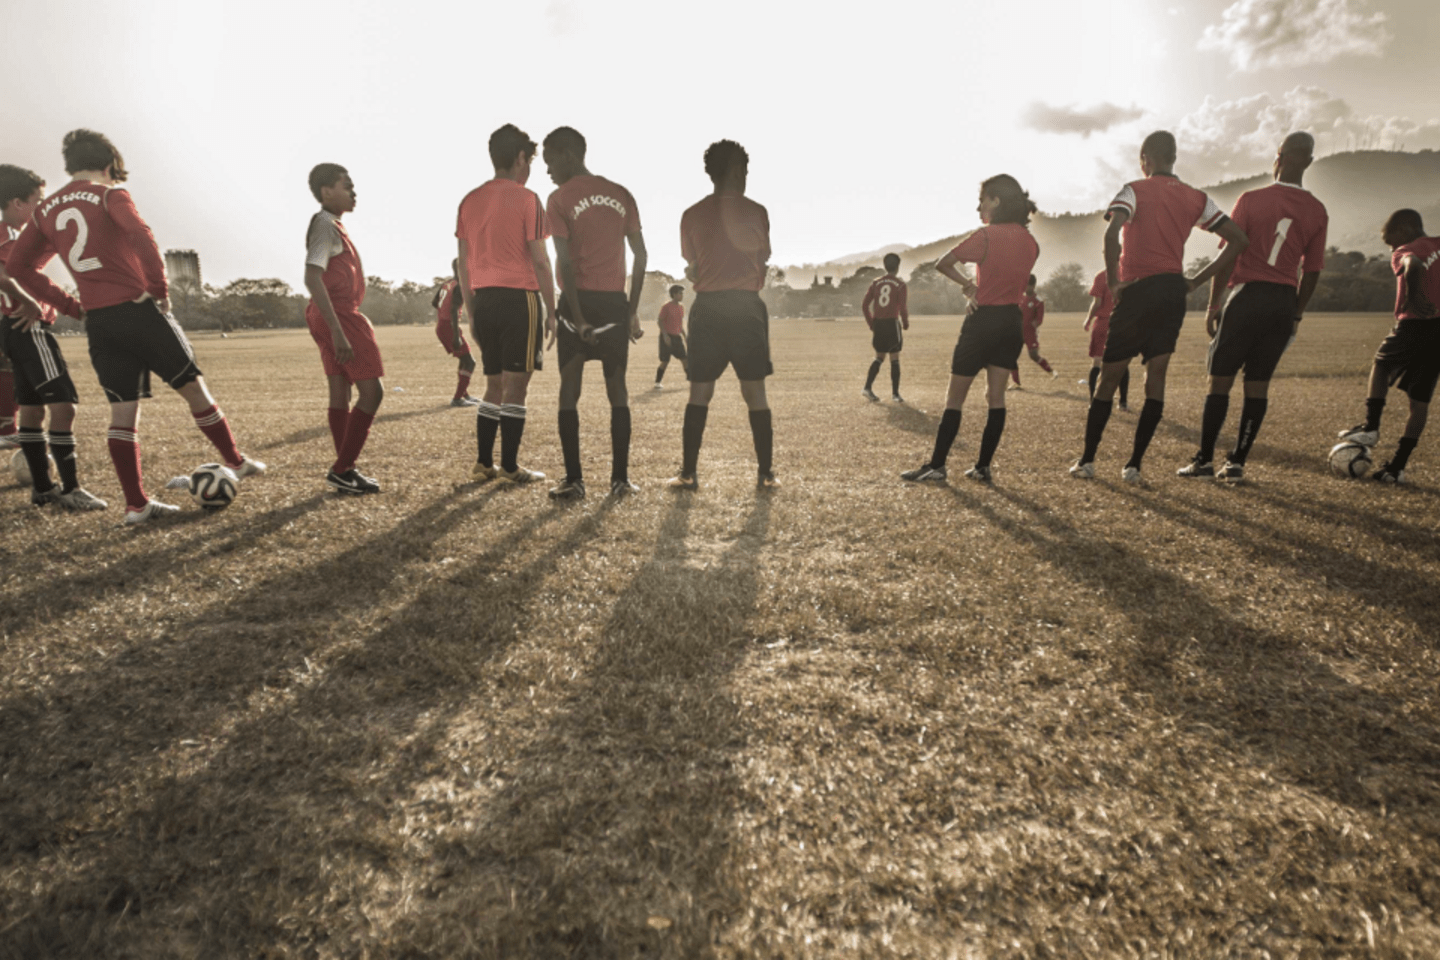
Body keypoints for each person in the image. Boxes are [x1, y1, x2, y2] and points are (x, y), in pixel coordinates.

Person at [7, 129, 263, 524]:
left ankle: (136, 505)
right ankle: (235, 460)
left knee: (122, 411)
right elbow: (141, 235)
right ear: (108, 164)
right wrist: (158, 289)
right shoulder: (110, 194)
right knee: (193, 388)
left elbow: (17, 266)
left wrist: (73, 306)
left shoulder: (45, 211)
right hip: (138, 310)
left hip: (100, 322)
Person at [1070, 130, 1249, 483]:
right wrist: (1195, 282)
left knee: (1109, 378)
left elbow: (1111, 234)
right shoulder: (1198, 198)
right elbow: (1239, 239)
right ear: (1174, 158)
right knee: (1156, 379)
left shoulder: (1133, 189)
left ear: (1145, 159)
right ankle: (1134, 465)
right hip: (1171, 292)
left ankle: (1087, 461)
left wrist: (1114, 280)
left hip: (1137, 290)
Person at [1180, 132, 1328, 482]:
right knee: (1257, 385)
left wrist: (1213, 305)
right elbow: (1313, 270)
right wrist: (1296, 312)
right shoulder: (1318, 210)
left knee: (1219, 381)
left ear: (1278, 156)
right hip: (1282, 301)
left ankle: (1204, 461)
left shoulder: (1251, 199)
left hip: (1246, 296)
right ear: (1308, 161)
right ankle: (1236, 463)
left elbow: (1228, 254)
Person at [901, 174, 1039, 484]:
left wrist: (968, 287)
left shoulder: (987, 236)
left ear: (996, 201)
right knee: (996, 398)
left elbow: (943, 262)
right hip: (1011, 322)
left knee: (955, 399)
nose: (979, 208)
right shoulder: (1031, 242)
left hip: (983, 321)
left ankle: (937, 465)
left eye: (982, 200)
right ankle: (983, 467)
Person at [541, 126, 647, 500]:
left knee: (570, 391)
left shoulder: (558, 198)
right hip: (614, 303)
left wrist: (578, 316)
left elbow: (564, 262)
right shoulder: (621, 193)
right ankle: (620, 480)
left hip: (578, 304)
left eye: (549, 160)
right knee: (617, 390)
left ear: (568, 155)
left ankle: (574, 481)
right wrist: (631, 310)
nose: (548, 170)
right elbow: (642, 255)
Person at [666, 140, 776, 491]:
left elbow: (693, 268)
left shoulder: (691, 214)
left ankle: (688, 473)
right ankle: (766, 475)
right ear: (734, 171)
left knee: (700, 393)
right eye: (743, 170)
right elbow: (762, 259)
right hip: (746, 305)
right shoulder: (757, 211)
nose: (745, 176)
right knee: (755, 393)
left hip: (709, 308)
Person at [456, 124, 557, 485]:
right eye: (529, 160)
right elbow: (541, 260)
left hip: (483, 301)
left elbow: (463, 263)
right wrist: (553, 310)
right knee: (516, 387)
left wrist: (470, 311)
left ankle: (485, 463)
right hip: (520, 300)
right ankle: (511, 467)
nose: (529, 168)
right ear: (519, 158)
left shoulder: (469, 200)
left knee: (493, 385)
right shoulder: (527, 198)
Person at [0, 163, 105, 509]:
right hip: (28, 329)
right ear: (17, 204)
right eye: (38, 200)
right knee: (64, 406)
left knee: (31, 408)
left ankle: (44, 490)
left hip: (13, 331)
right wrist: (31, 301)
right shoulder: (8, 236)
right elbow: (5, 271)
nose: (42, 207)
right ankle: (71, 489)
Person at [1335, 208, 1440, 483]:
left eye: (1390, 240)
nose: (1392, 247)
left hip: (1415, 323)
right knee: (1420, 403)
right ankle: (1396, 468)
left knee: (1381, 365)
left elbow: (1413, 264)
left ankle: (1371, 427)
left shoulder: (1406, 249)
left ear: (1404, 229)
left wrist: (1415, 296)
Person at [303, 163, 383, 494]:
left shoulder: (331, 224)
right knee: (372, 392)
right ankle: (343, 467)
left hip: (325, 314)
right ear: (326, 192)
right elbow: (312, 276)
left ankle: (344, 470)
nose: (354, 191)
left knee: (340, 391)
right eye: (346, 185)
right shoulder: (325, 225)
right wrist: (338, 330)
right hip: (339, 315)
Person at [861, 253, 908, 402]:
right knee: (894, 358)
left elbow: (864, 305)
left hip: (879, 324)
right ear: (898, 267)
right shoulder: (900, 284)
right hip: (892, 323)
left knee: (879, 357)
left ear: (884, 265)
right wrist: (906, 323)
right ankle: (895, 394)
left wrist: (871, 323)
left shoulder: (876, 283)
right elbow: (902, 308)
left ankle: (867, 388)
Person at [433, 260, 478, 407]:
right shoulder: (460, 285)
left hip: (443, 325)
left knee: (464, 360)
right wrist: (456, 335)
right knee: (470, 362)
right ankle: (457, 398)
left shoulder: (447, 283)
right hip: (449, 327)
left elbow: (435, 302)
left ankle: (464, 394)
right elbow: (453, 309)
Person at [1082, 269, 1129, 408]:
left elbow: (1097, 302)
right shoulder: (1128, 274)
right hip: (1122, 322)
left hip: (1103, 322)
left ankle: (1093, 401)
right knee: (1122, 362)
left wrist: (1088, 319)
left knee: (1097, 361)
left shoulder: (1102, 276)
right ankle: (1123, 402)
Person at [1009, 274, 1054, 389]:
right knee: (1011, 357)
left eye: (1028, 285)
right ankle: (1016, 383)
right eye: (1024, 285)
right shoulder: (1020, 297)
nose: (1025, 288)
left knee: (1033, 355)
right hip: (1017, 331)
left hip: (1030, 333)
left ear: (1033, 286)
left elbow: (1040, 319)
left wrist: (1035, 323)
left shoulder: (1038, 301)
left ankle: (1050, 371)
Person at [655, 284, 687, 387]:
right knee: (665, 361)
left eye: (682, 293)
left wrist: (685, 336)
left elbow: (679, 324)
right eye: (680, 293)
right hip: (667, 337)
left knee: (685, 359)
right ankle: (658, 382)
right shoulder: (666, 307)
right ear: (674, 294)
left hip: (677, 338)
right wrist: (665, 335)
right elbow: (660, 321)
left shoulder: (681, 307)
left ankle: (691, 380)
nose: (682, 295)